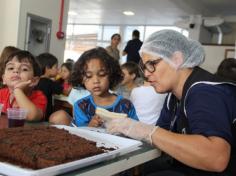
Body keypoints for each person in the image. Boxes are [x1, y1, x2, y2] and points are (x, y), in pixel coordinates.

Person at [106, 30, 236, 176]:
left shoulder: (205, 92)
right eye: (144, 67)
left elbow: (216, 158)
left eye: (151, 64)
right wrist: (130, 131)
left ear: (176, 59)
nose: (147, 74)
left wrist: (146, 131)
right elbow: (164, 135)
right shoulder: (173, 96)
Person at [70, 47, 138, 127]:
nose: (96, 81)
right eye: (89, 76)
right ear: (81, 79)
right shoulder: (81, 106)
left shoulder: (126, 105)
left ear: (111, 75)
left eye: (101, 74)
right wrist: (90, 126)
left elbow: (136, 131)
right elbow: (77, 134)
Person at [0, 50, 47, 121]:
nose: (16, 71)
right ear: (4, 79)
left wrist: (17, 90)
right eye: (11, 68)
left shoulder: (38, 96)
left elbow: (32, 116)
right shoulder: (1, 94)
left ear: (34, 81)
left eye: (24, 69)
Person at [35, 53, 63, 120]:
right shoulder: (49, 82)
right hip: (46, 117)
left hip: (37, 114)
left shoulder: (35, 81)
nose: (58, 70)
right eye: (56, 67)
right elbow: (62, 90)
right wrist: (60, 78)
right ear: (47, 68)